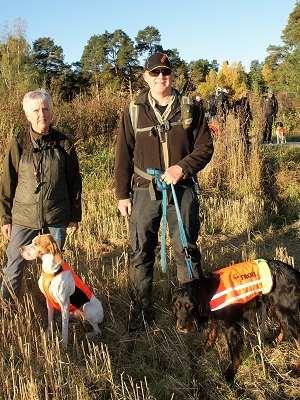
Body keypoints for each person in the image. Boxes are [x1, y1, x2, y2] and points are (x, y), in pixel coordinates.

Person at [114, 52, 214, 332]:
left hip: (181, 191)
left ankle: (192, 313)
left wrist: (181, 168)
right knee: (140, 251)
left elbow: (205, 148)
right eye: (155, 73)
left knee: (186, 250)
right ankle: (141, 312)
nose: (161, 77)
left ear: (172, 75)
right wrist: (122, 194)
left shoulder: (189, 107)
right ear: (146, 76)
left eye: (166, 72)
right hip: (145, 191)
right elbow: (123, 154)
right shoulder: (133, 109)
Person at [0, 89, 82, 302]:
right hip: (23, 217)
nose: (41, 114)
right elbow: (7, 181)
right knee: (14, 266)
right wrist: (6, 218)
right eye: (35, 110)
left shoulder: (64, 142)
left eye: (45, 109)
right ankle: (7, 310)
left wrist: (74, 215)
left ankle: (55, 312)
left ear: (52, 112)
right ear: (27, 114)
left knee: (54, 269)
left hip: (56, 216)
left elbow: (74, 181)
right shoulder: (19, 142)